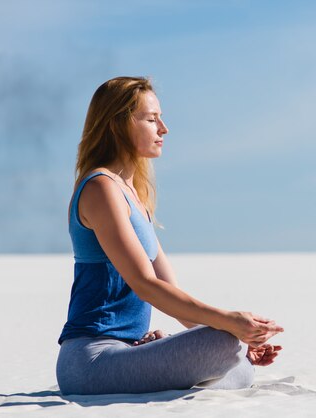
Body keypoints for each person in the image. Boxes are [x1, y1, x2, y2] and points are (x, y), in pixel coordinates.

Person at [56, 76, 283, 395]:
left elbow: (170, 292)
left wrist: (240, 341)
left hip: (127, 351)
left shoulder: (134, 197)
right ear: (118, 124)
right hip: (90, 362)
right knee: (224, 344)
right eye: (151, 119)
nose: (163, 129)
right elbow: (146, 285)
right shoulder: (100, 188)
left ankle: (210, 360)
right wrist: (228, 323)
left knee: (238, 362)